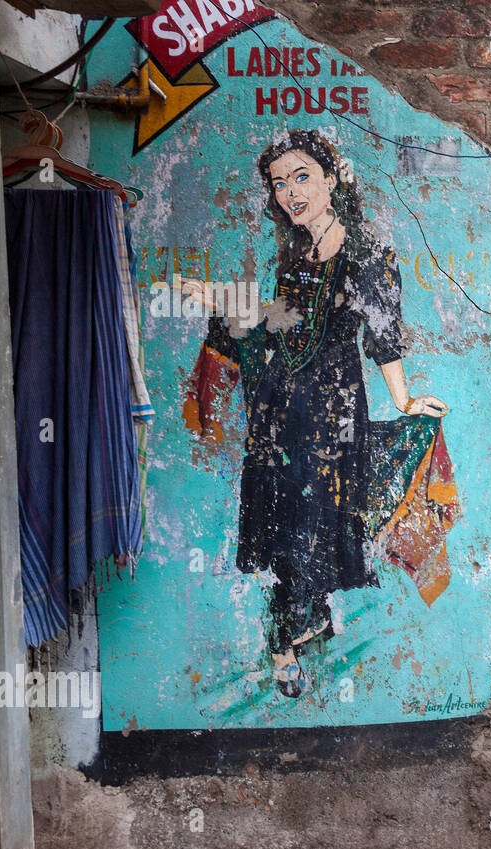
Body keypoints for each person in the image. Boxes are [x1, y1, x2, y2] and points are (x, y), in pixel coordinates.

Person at [181, 129, 451, 699]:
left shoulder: (367, 252)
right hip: (281, 406)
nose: (290, 192)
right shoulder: (295, 250)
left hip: (332, 411)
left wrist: (404, 401)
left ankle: (286, 640)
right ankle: (314, 617)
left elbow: (382, 333)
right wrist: (226, 303)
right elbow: (285, 321)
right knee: (285, 519)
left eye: (301, 176)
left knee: (315, 517)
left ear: (331, 178)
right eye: (279, 183)